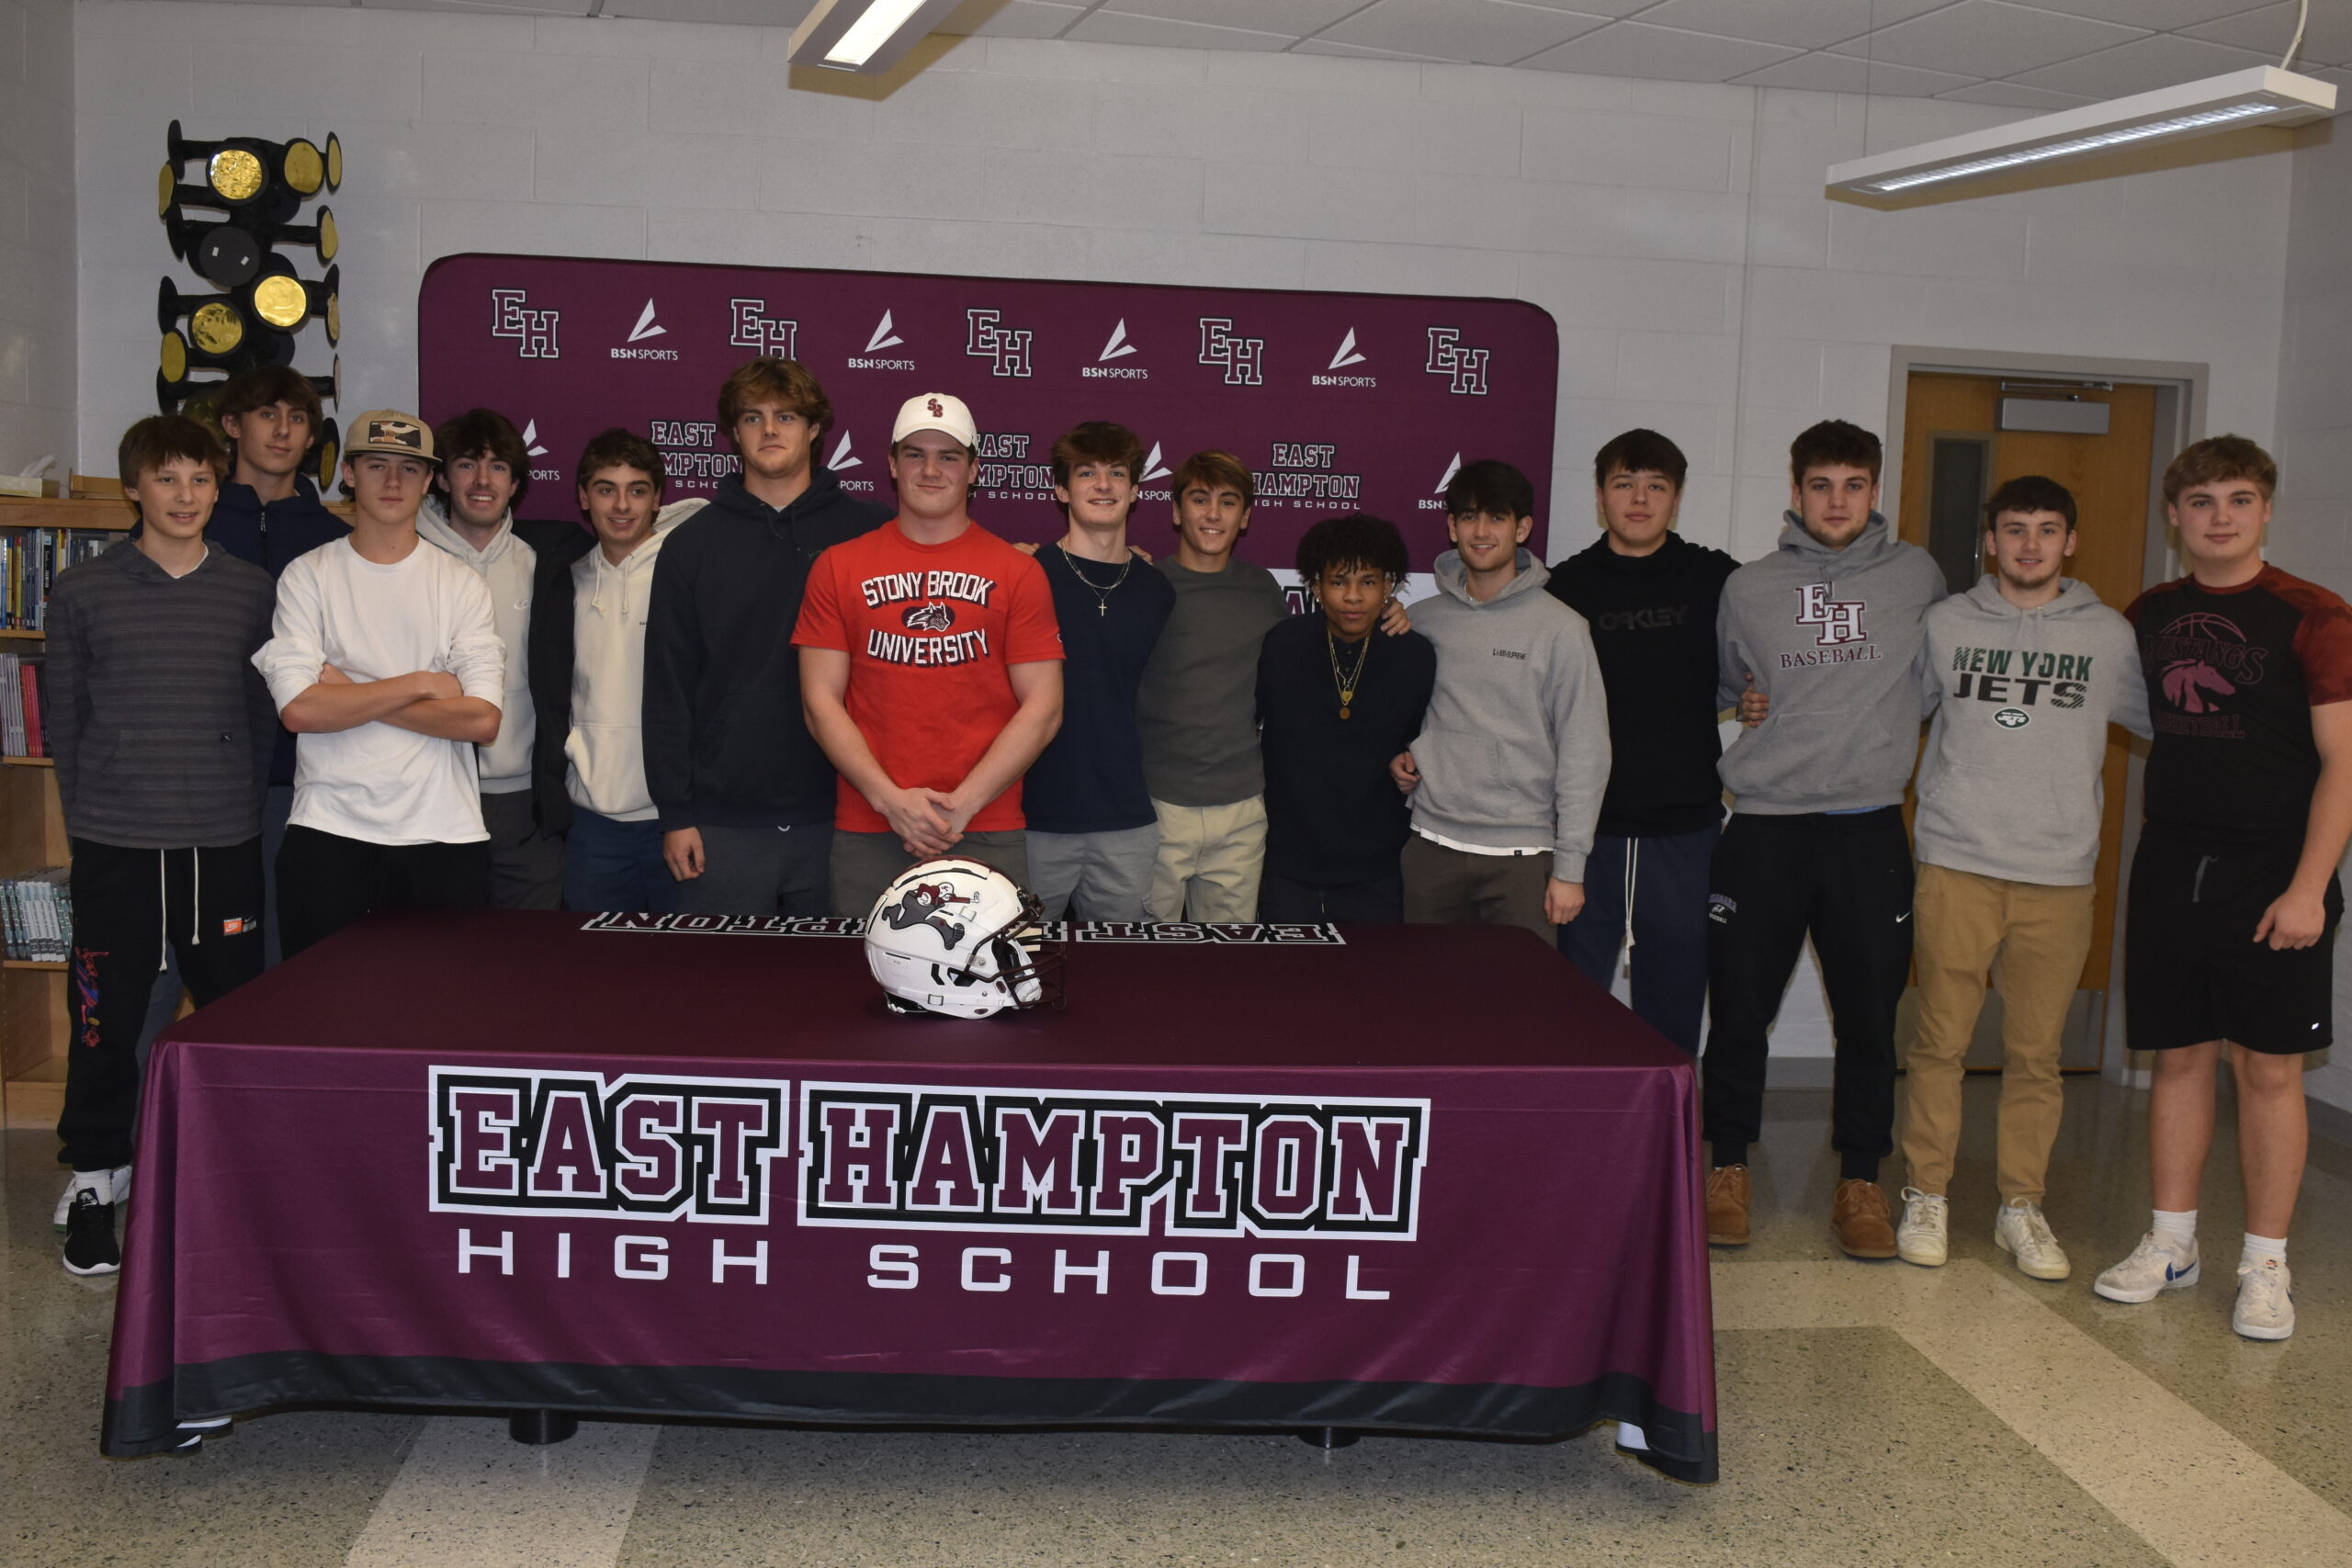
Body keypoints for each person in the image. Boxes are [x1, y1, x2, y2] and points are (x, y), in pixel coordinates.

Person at [2095, 436, 2352, 1341]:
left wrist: (2309, 888)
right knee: (2176, 1058)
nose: (2219, 518)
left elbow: (2342, 766)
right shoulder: (2149, 614)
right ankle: (2171, 1243)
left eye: (2238, 500)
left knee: (2270, 1070)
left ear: (2266, 509)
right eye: (2201, 502)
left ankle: (2265, 1264)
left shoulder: (2313, 615)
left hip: (2276, 872)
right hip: (2171, 864)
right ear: (2174, 516)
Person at [1895, 475, 2151, 1280]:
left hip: (2059, 874)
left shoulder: (2109, 637)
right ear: (1991, 541)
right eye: (2015, 529)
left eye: (2047, 529)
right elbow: (1889, 710)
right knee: (1938, 1042)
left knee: (2037, 1054)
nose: (2031, 544)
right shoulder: (1945, 623)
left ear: (2070, 542)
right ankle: (1925, 1193)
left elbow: (2177, 725)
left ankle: (2020, 1207)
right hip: (1956, 863)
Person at [1704, 419, 1943, 1259]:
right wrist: (1749, 704)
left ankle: (1862, 1181)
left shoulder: (1917, 576)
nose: (1835, 501)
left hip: (1867, 828)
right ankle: (1726, 1166)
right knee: (1737, 1013)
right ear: (1796, 490)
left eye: (1852, 484)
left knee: (1871, 1021)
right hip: (1764, 829)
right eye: (1820, 485)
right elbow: (1727, 686)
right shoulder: (1749, 586)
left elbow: (1934, 685)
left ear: (1875, 492)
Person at [45, 416, 276, 1276]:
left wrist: (227, 808)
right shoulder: (81, 591)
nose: (186, 496)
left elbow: (259, 722)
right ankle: (96, 1179)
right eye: (168, 479)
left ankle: (228, 1180)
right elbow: (67, 725)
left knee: (233, 1020)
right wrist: (101, 811)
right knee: (103, 1021)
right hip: (118, 846)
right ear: (134, 488)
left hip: (220, 844)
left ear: (220, 489)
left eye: (201, 480)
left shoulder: (250, 590)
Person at [794, 392, 1064, 916]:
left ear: (974, 469)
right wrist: (890, 801)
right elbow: (818, 701)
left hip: (985, 826)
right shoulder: (837, 567)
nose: (931, 469)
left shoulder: (1018, 572)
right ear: (892, 465)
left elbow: (1045, 708)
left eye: (949, 456)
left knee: (992, 992)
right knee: (860, 991)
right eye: (915, 454)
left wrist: (961, 806)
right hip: (872, 827)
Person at [642, 358, 888, 918]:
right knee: (722, 997)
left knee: (839, 995)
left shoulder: (870, 532)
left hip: (849, 813)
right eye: (753, 417)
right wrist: (676, 814)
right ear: (733, 432)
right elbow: (667, 689)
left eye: (787, 416)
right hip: (722, 821)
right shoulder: (690, 545)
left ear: (815, 428)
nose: (770, 430)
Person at [255, 412, 504, 958]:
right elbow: (298, 711)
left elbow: (482, 720)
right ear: (347, 473)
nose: (393, 482)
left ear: (429, 480)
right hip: (329, 834)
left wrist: (350, 691)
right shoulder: (308, 576)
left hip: (444, 832)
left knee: (439, 1022)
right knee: (323, 1019)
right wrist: (422, 683)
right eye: (376, 465)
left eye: (409, 468)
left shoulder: (461, 584)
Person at [1544, 429, 1737, 1053]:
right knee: (1568, 1002)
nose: (1639, 498)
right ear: (1601, 496)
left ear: (1675, 499)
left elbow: (1774, 652)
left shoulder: (1714, 578)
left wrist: (1759, 694)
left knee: (1674, 1007)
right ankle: (1573, 1136)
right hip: (1586, 832)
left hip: (1685, 828)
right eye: (1624, 484)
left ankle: (1665, 1139)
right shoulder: (1564, 588)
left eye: (1656, 486)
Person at [1394, 458, 1608, 942]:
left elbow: (1585, 753)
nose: (1482, 530)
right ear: (1451, 527)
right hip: (1430, 853)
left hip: (1522, 864)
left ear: (1523, 527)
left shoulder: (1562, 630)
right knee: (1425, 1010)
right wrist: (1404, 756)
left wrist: (1570, 869)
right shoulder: (1421, 621)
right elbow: (1399, 713)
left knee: (1520, 1012)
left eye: (1497, 517)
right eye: (1469, 517)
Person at [201, 365, 351, 967]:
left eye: (296, 418)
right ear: (233, 426)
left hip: (305, 777)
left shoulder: (335, 538)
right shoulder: (193, 524)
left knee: (299, 949)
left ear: (313, 436)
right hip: (205, 776)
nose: (282, 431)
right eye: (267, 415)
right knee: (213, 951)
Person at [528, 430, 695, 914]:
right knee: (593, 977)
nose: (622, 505)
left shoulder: (687, 574)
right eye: (606, 489)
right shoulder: (565, 581)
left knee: (682, 972)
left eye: (637, 490)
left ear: (658, 498)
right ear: (583, 496)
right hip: (592, 823)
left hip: (675, 819)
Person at [1022, 422, 1174, 921]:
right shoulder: (1025, 577)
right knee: (1018, 967)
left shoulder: (1157, 589)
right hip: (1032, 819)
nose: (1103, 485)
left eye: (1116, 473)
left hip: (1126, 820)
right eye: (1086, 473)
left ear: (1135, 491)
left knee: (1126, 979)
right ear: (1062, 489)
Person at [419, 408, 569, 909]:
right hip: (429, 792)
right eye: (466, 465)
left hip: (523, 804)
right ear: (440, 476)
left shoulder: (543, 568)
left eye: (498, 467)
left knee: (529, 965)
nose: (482, 481)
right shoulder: (408, 564)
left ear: (515, 483)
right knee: (441, 962)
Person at [1257, 513, 1434, 923]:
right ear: (1316, 587)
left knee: (1369, 984)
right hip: (1287, 858)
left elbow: (1421, 737)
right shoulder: (1283, 645)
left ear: (1388, 586)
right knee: (1286, 980)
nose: (1353, 596)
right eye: (1339, 582)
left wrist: (1409, 759)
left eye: (1368, 582)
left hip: (1376, 863)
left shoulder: (1414, 655)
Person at [1136, 451, 1288, 922]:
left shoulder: (1262, 589)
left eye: (1228, 502)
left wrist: (1390, 617)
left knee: (1227, 967)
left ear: (1244, 517)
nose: (1213, 514)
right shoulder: (1143, 586)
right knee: (1145, 960)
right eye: (1199, 499)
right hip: (1155, 805)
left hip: (1240, 807)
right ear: (1177, 511)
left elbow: (1307, 664)